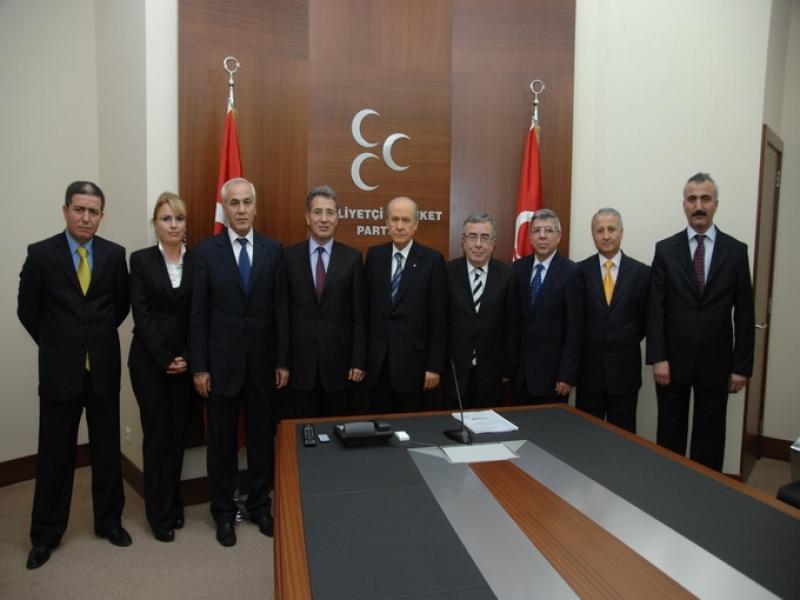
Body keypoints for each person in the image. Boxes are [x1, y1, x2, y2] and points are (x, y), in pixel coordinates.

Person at [18, 181, 131, 569]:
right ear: (65, 210)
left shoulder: (115, 255)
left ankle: (109, 521)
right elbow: (27, 311)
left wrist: (92, 339)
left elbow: (119, 307)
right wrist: (57, 343)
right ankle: (46, 534)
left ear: (102, 215)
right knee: (55, 456)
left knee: (107, 452)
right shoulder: (41, 254)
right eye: (79, 209)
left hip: (103, 370)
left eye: (93, 211)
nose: (86, 217)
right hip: (59, 372)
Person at [190, 177, 289, 546]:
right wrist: (200, 367)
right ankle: (223, 512)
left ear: (255, 207)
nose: (242, 209)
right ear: (225, 208)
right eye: (234, 203)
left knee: (262, 442)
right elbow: (198, 315)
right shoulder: (205, 252)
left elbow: (281, 311)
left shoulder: (273, 250)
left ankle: (260, 506)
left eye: (247, 202)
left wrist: (282, 361)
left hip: (264, 367)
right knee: (221, 444)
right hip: (221, 368)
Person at [647, 172, 754, 471]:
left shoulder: (736, 251)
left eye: (705, 199)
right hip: (672, 362)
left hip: (717, 362)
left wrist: (741, 367)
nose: (698, 206)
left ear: (715, 204)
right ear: (683, 205)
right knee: (670, 437)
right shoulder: (665, 250)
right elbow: (656, 309)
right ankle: (669, 488)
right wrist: (658, 358)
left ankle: (705, 492)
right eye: (692, 199)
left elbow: (745, 314)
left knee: (710, 439)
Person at [128, 192, 194, 542]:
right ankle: (158, 513)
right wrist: (165, 357)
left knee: (178, 436)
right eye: (166, 219)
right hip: (149, 364)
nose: (173, 225)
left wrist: (185, 355)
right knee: (156, 437)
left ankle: (174, 502)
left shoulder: (197, 261)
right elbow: (142, 314)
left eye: (178, 219)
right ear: (155, 224)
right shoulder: (140, 260)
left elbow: (199, 313)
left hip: (185, 363)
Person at [285, 186, 366, 417]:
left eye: (330, 212)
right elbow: (282, 313)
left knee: (337, 430)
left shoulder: (352, 258)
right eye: (318, 212)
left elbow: (359, 316)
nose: (324, 219)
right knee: (303, 430)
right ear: (307, 217)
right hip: (300, 366)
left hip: (340, 366)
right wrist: (282, 362)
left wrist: (358, 361)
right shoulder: (288, 257)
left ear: (337, 218)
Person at [365, 196, 447, 413]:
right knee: (380, 426)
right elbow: (366, 312)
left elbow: (438, 319)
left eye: (406, 220)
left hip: (415, 367)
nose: (399, 226)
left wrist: (434, 366)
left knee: (410, 427)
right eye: (394, 219)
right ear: (386, 222)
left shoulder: (432, 260)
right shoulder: (374, 256)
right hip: (378, 366)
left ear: (416, 224)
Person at [576, 208, 650, 432]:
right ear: (593, 235)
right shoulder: (578, 272)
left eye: (611, 229)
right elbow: (576, 321)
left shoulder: (642, 273)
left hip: (624, 374)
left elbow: (645, 321)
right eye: (600, 231)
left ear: (621, 232)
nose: (606, 236)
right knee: (587, 436)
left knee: (623, 439)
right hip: (589, 374)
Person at [442, 212, 518, 409]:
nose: (478, 244)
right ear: (462, 241)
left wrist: (508, 371)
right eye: (472, 236)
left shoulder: (508, 276)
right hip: (453, 373)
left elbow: (512, 328)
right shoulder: (446, 272)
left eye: (484, 237)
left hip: (492, 375)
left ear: (493, 244)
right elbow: (438, 324)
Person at [512, 208, 581, 404]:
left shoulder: (572, 272)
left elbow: (575, 329)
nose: (542, 236)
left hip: (553, 378)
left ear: (558, 237)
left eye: (549, 230)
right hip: (520, 375)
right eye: (536, 230)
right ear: (529, 238)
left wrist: (567, 374)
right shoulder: (518, 268)